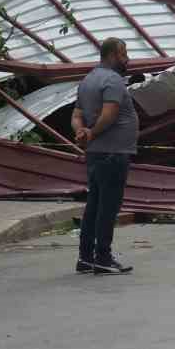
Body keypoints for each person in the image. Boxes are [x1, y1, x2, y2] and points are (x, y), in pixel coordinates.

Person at [72, 38, 138, 275]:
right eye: (124, 54)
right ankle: (103, 257)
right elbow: (110, 114)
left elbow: (77, 115)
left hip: (96, 153)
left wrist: (81, 131)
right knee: (108, 206)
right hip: (113, 152)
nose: (127, 59)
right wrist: (91, 132)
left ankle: (86, 257)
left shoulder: (88, 80)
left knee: (94, 205)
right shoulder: (113, 80)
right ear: (113, 55)